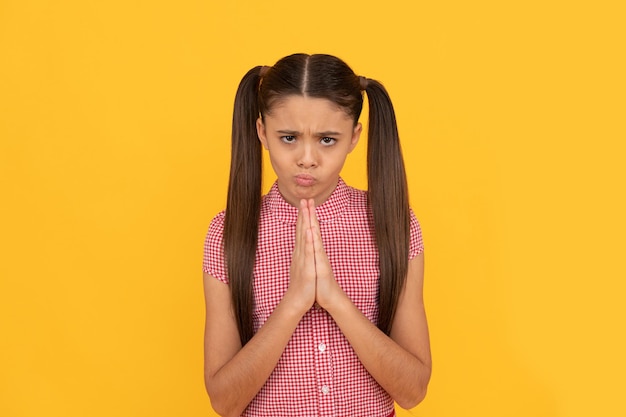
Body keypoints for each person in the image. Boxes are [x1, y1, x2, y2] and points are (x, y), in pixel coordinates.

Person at [202, 53, 431, 417]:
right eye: (289, 137)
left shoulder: (393, 224)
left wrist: (334, 299)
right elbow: (223, 402)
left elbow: (413, 390)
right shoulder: (227, 233)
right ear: (262, 131)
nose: (307, 158)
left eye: (327, 139)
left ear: (354, 136)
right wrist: (294, 302)